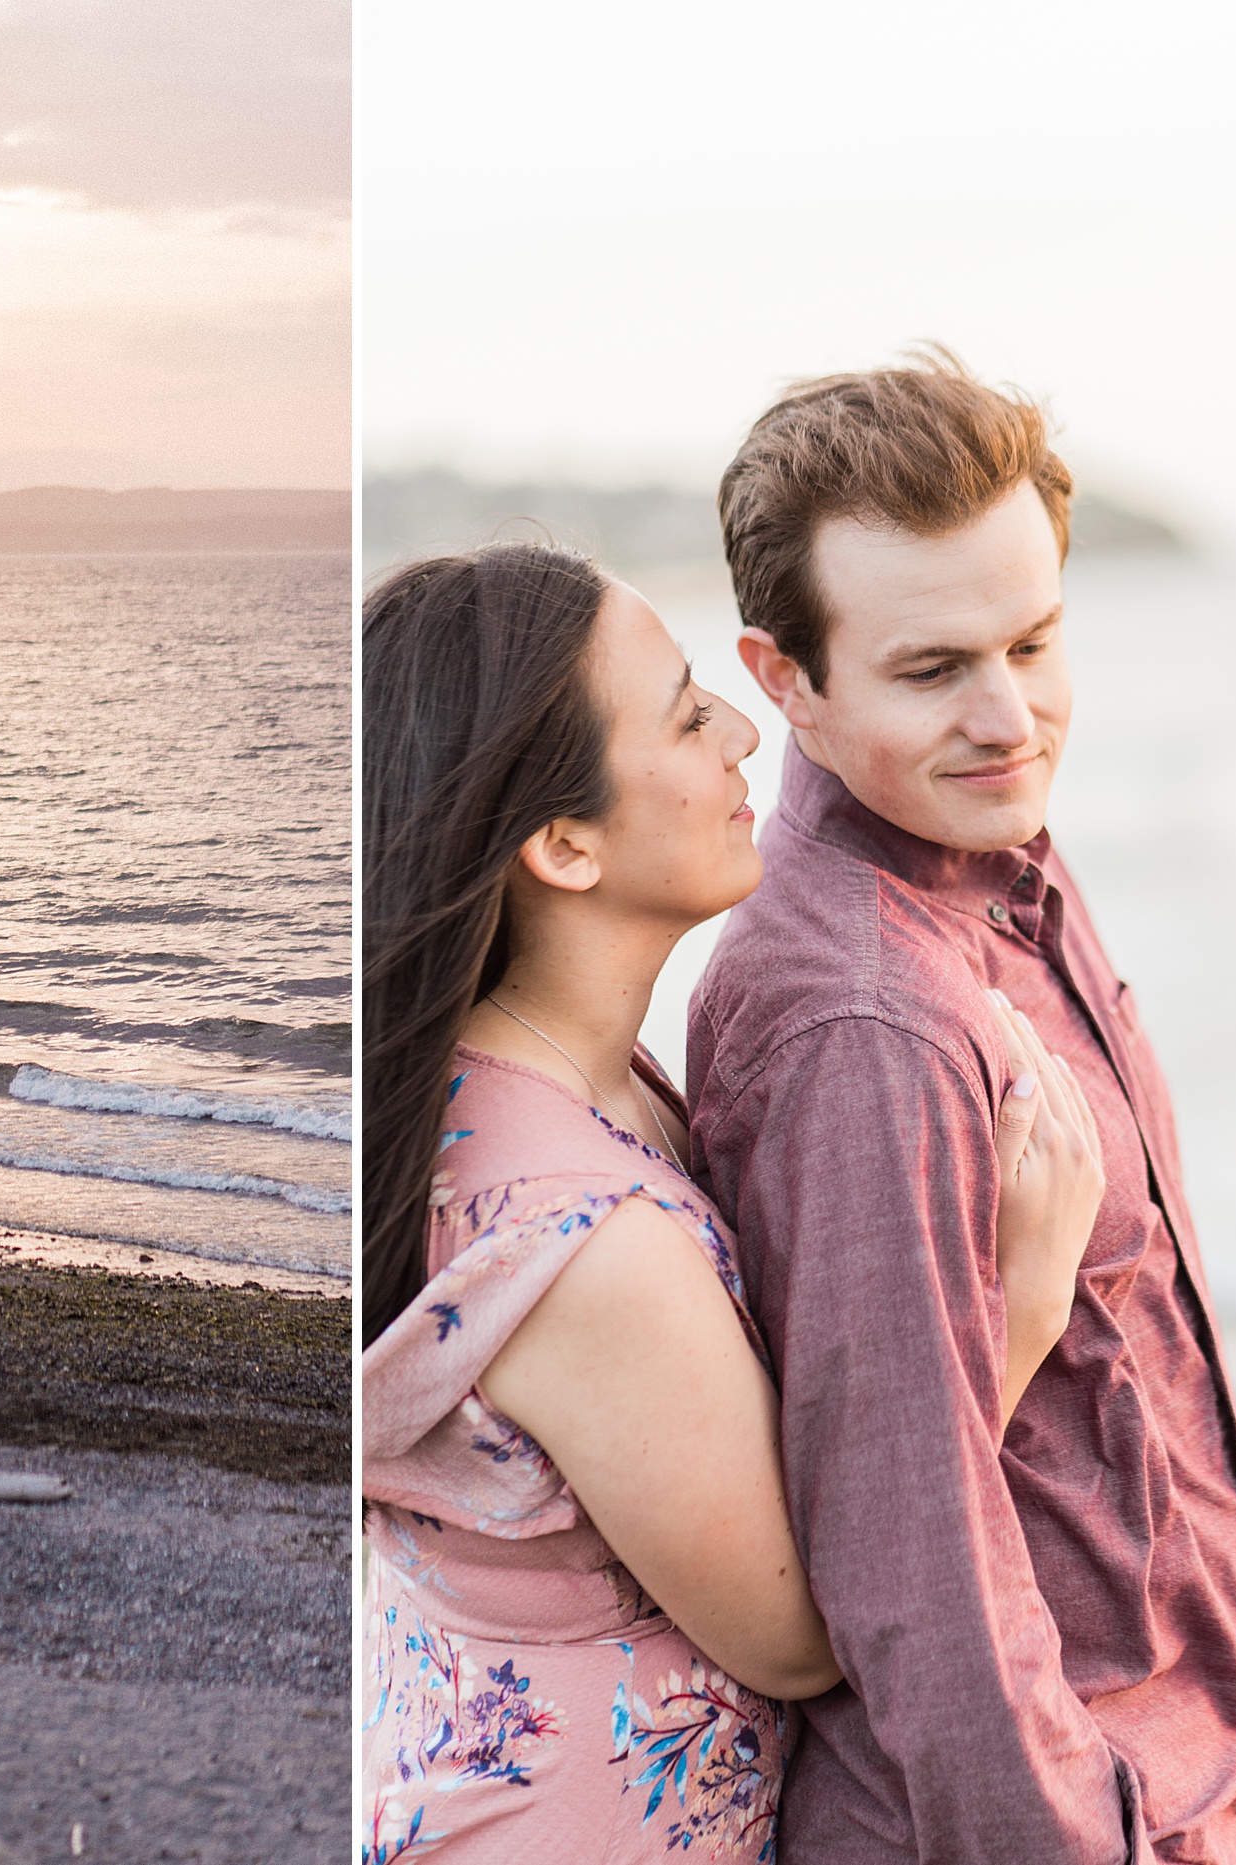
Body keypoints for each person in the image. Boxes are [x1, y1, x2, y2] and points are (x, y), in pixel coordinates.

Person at [360, 541, 1108, 1862]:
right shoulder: (590, 1249)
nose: (744, 730)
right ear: (564, 842)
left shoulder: (516, 1086)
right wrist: (1025, 1304)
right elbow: (807, 1629)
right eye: (690, 707)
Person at [688, 352, 1236, 1862]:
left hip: (1179, 1768)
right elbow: (912, 1556)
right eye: (931, 669)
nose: (1008, 716)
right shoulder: (868, 1021)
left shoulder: (1002, 857)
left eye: (1034, 642)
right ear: (786, 681)